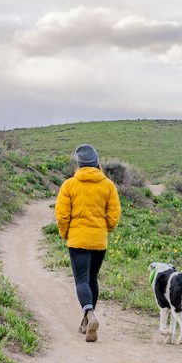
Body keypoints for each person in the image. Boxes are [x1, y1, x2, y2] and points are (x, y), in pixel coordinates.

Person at [54, 144, 121, 342]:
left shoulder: (69, 185)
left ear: (79, 163)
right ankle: (86, 321)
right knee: (92, 279)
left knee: (82, 280)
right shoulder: (108, 185)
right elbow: (114, 214)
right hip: (99, 241)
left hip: (77, 240)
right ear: (96, 162)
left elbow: (62, 215)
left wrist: (66, 234)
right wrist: (105, 228)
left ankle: (90, 314)